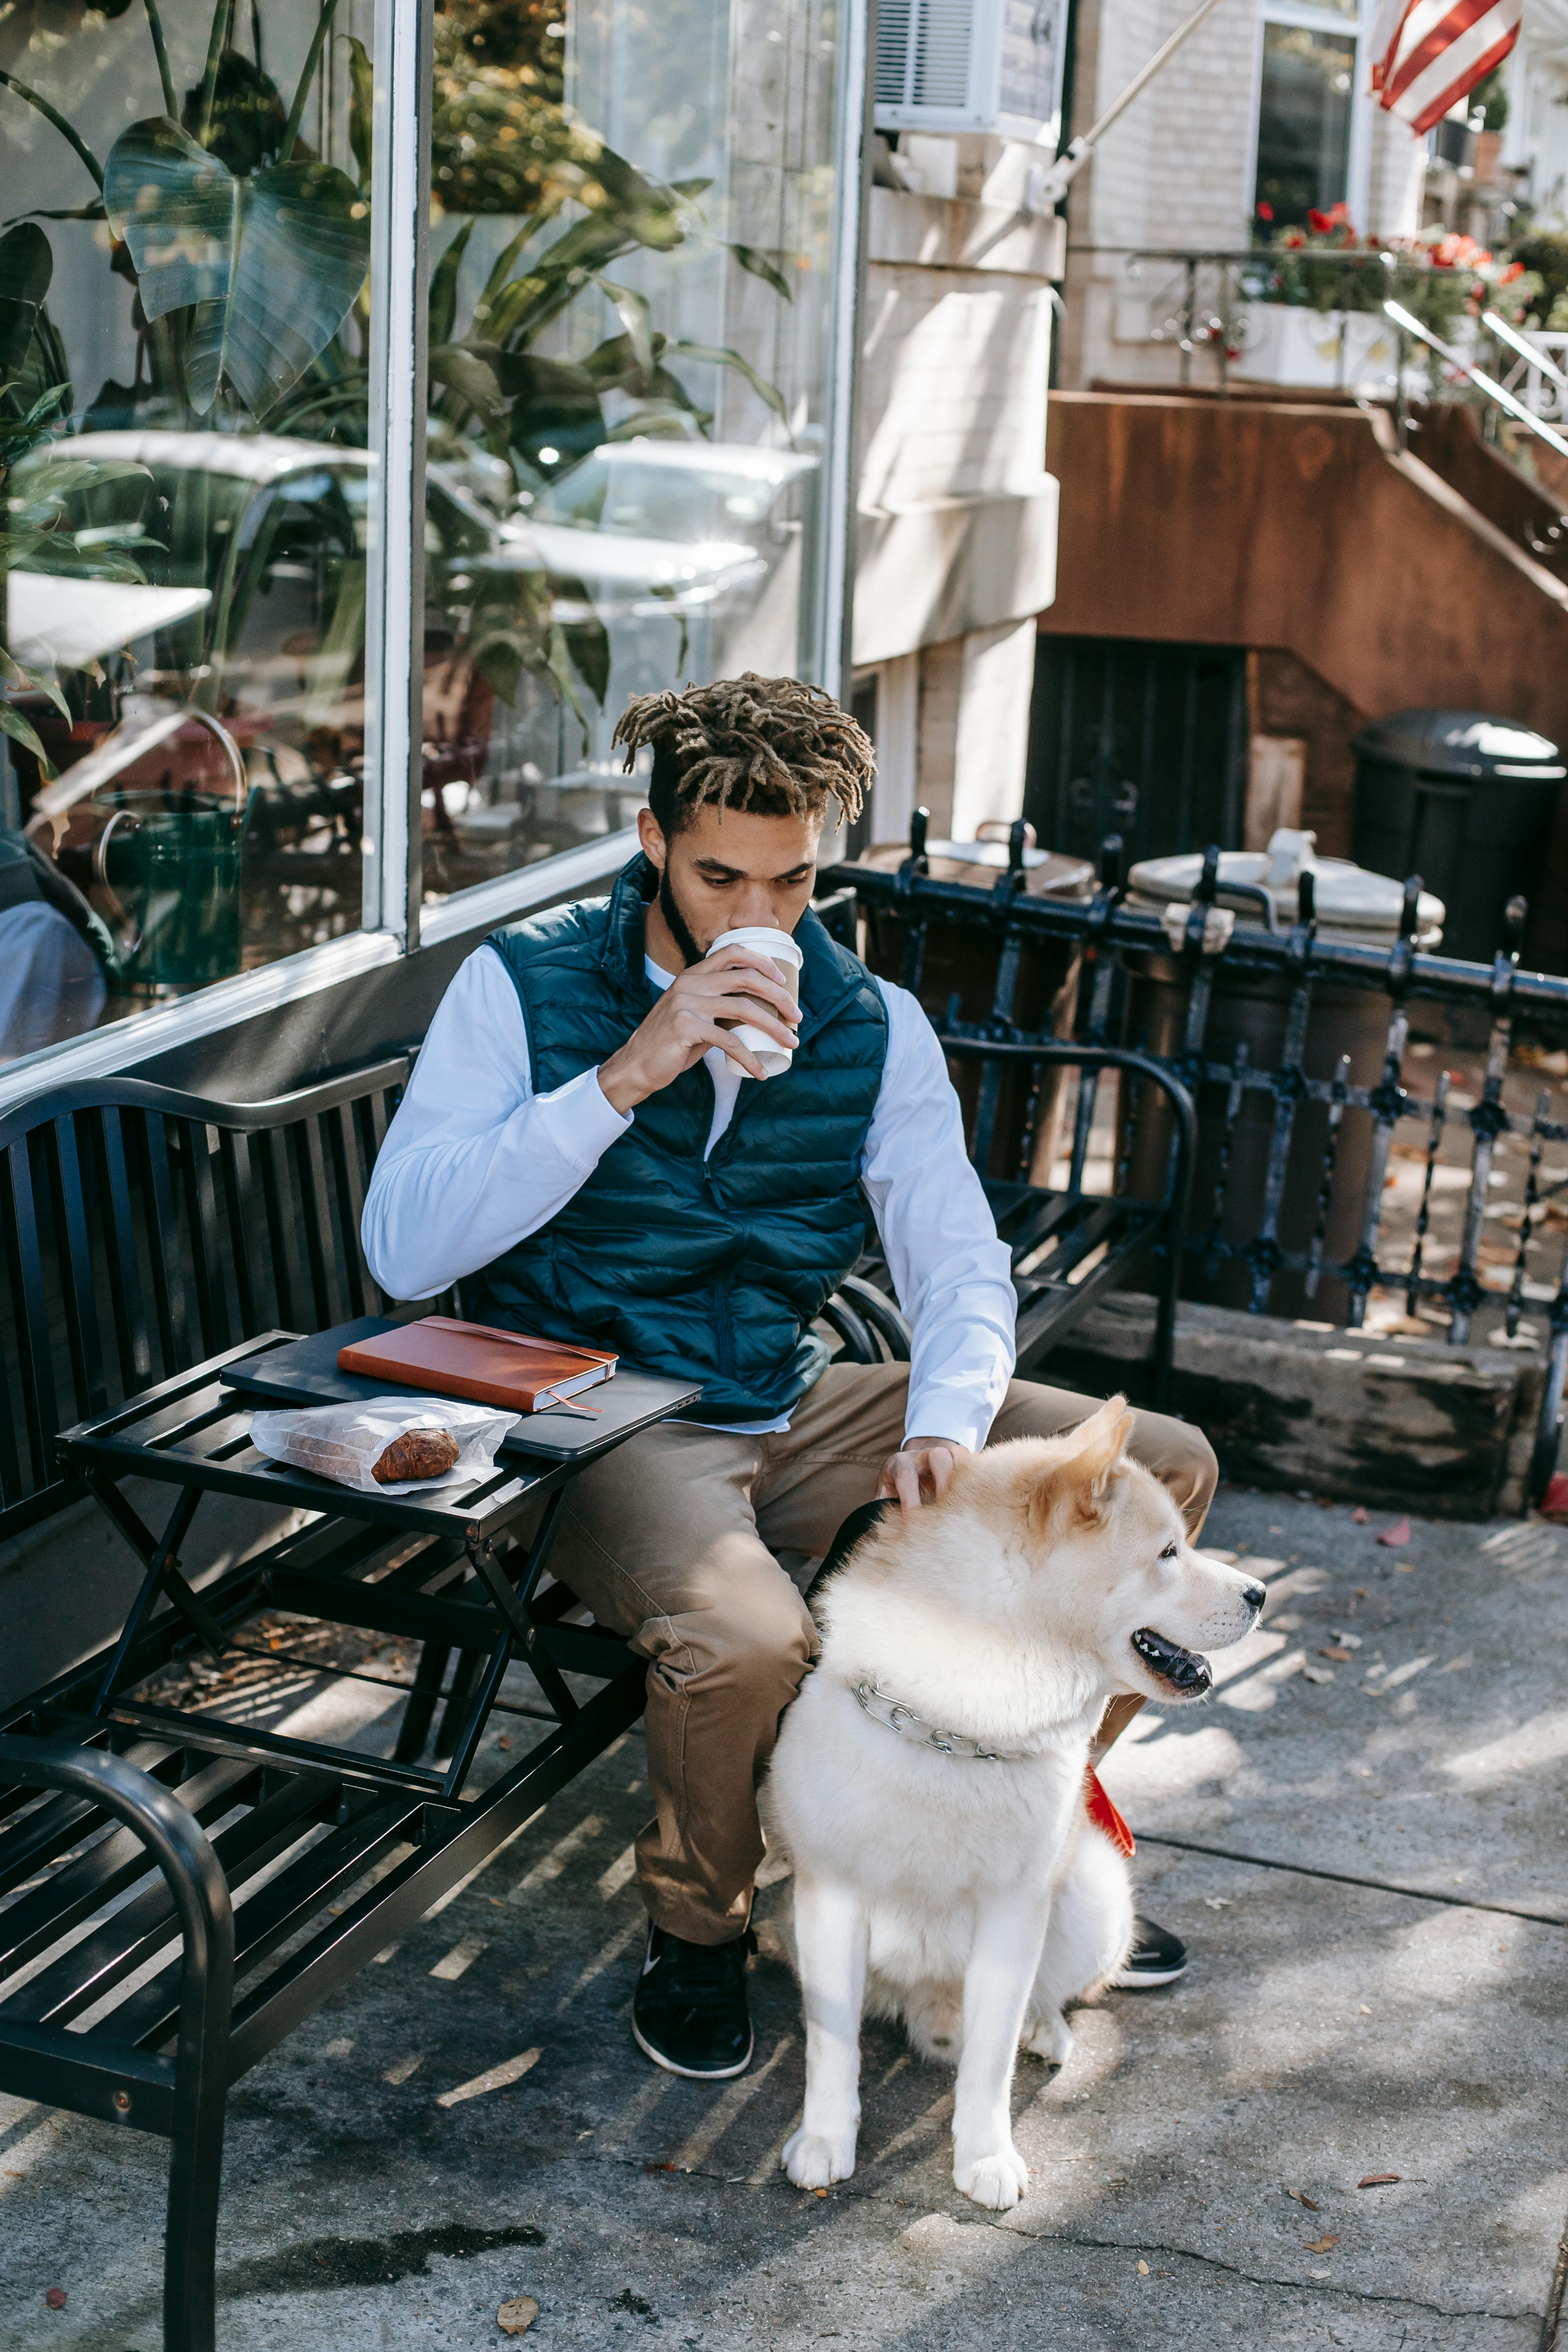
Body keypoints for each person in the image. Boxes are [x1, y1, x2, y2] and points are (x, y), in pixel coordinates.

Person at [361, 674, 1217, 2080]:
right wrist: (628, 1074)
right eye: (718, 876)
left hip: (790, 1391)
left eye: (795, 877)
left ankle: (1016, 1847)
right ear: (651, 841)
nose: (762, 916)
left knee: (1157, 1470)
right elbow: (403, 1251)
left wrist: (946, 1424)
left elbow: (957, 1267)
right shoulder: (519, 987)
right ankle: (700, 1934)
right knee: (751, 1639)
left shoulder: (872, 1023)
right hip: (594, 1409)